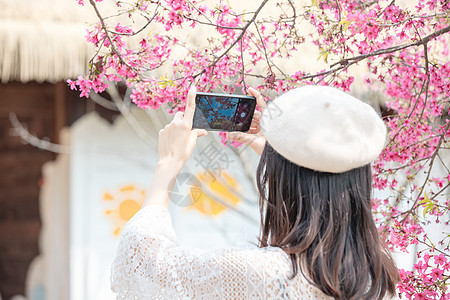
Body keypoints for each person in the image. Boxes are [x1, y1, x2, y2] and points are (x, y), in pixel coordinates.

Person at [110, 85, 400, 299]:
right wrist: (280, 156)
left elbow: (142, 264)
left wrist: (168, 164)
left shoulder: (263, 274)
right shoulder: (377, 278)